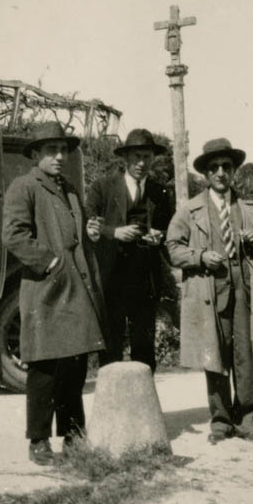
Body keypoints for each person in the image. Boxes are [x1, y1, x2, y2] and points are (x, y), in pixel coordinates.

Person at [3, 120, 107, 465]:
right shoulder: (24, 187)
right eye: (52, 150)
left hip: (75, 289)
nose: (60, 156)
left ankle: (74, 437)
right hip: (46, 290)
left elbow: (74, 234)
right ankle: (38, 442)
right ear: (36, 155)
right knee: (45, 367)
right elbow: (14, 235)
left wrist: (89, 231)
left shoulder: (71, 190)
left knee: (75, 364)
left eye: (63, 150)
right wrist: (49, 263)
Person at [166, 137, 253, 445]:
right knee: (213, 354)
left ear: (234, 171)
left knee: (246, 354)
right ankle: (220, 421)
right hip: (208, 291)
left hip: (245, 290)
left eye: (226, 167)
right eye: (214, 167)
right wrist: (201, 257)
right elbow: (173, 249)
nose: (220, 173)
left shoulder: (250, 207)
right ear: (205, 173)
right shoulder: (189, 211)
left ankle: (248, 420)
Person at [85, 129, 174, 373]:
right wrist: (115, 232)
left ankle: (143, 409)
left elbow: (169, 230)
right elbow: (88, 227)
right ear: (125, 158)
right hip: (111, 279)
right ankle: (111, 408)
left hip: (145, 281)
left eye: (147, 157)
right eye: (137, 157)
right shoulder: (102, 188)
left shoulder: (161, 192)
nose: (142, 163)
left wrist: (160, 237)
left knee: (144, 349)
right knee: (110, 346)